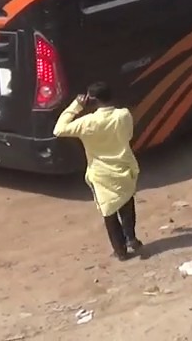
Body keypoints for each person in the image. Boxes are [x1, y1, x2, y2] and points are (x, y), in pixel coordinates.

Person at [54, 81, 144, 261]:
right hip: (123, 167)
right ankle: (131, 237)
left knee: (109, 211)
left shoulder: (86, 122)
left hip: (101, 173)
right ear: (111, 95)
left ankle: (120, 251)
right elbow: (128, 136)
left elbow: (59, 130)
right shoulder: (123, 115)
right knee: (126, 203)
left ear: (91, 100)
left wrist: (76, 105)